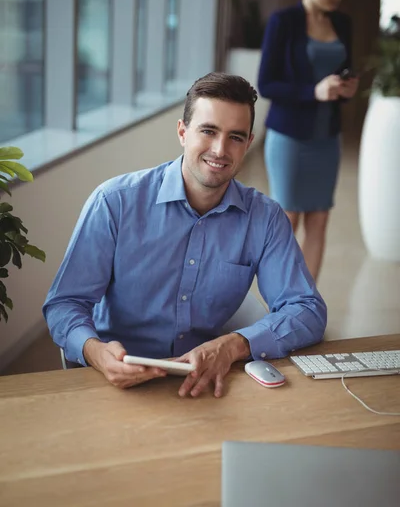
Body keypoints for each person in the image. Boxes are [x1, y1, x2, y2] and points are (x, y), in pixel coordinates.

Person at [43, 72, 327, 398]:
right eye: (208, 131)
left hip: (205, 383)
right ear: (182, 131)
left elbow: (307, 309)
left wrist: (234, 344)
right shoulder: (114, 202)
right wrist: (94, 351)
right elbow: (65, 304)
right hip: (114, 383)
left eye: (235, 137)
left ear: (249, 143)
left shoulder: (265, 218)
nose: (220, 150)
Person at [258, 0, 359, 281]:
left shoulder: (342, 23)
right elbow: (267, 84)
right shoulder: (283, 22)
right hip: (289, 139)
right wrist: (313, 91)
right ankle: (280, 306)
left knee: (319, 220)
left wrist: (346, 90)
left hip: (326, 138)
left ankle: (305, 303)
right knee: (288, 222)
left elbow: (344, 71)